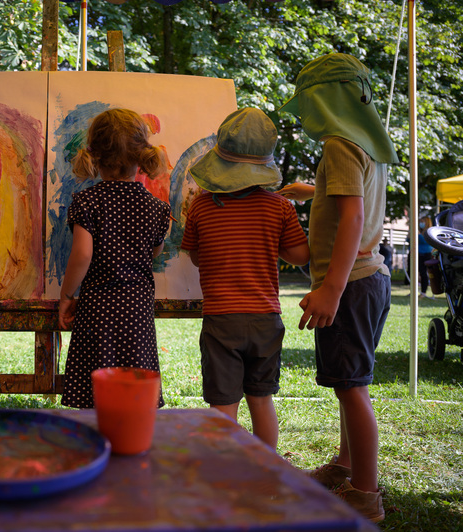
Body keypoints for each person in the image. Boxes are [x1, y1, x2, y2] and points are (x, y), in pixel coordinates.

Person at [278, 53, 398, 523]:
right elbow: (356, 199)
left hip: (351, 284)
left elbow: (352, 216)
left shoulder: (338, 145)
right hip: (372, 278)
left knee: (352, 389)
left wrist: (331, 288)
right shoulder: (368, 143)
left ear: (326, 100)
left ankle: (365, 494)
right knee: (350, 382)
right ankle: (345, 465)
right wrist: (312, 191)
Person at [180, 108, 309, 450]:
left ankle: (226, 469)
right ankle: (265, 467)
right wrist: (270, 241)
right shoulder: (280, 207)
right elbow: (301, 256)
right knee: (261, 400)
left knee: (223, 406)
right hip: (266, 318)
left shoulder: (201, 206)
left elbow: (196, 257)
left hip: (221, 319)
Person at [57, 108, 171, 409]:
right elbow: (155, 251)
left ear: (95, 155)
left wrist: (67, 295)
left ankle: (97, 436)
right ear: (140, 155)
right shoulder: (157, 207)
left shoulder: (87, 201)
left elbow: (83, 254)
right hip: (137, 309)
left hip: (98, 308)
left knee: (95, 391)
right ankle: (130, 434)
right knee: (135, 387)